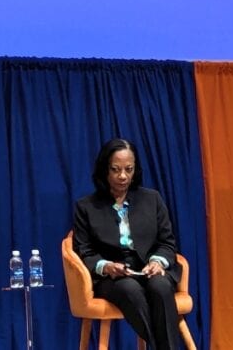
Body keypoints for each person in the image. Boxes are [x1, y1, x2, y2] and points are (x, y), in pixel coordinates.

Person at [72, 138, 183, 349]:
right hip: (114, 277)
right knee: (129, 289)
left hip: (150, 269)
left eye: (128, 169)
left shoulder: (152, 199)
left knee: (160, 286)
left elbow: (167, 242)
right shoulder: (86, 207)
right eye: (116, 169)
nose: (123, 176)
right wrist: (106, 266)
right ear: (105, 170)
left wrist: (158, 262)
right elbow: (83, 250)